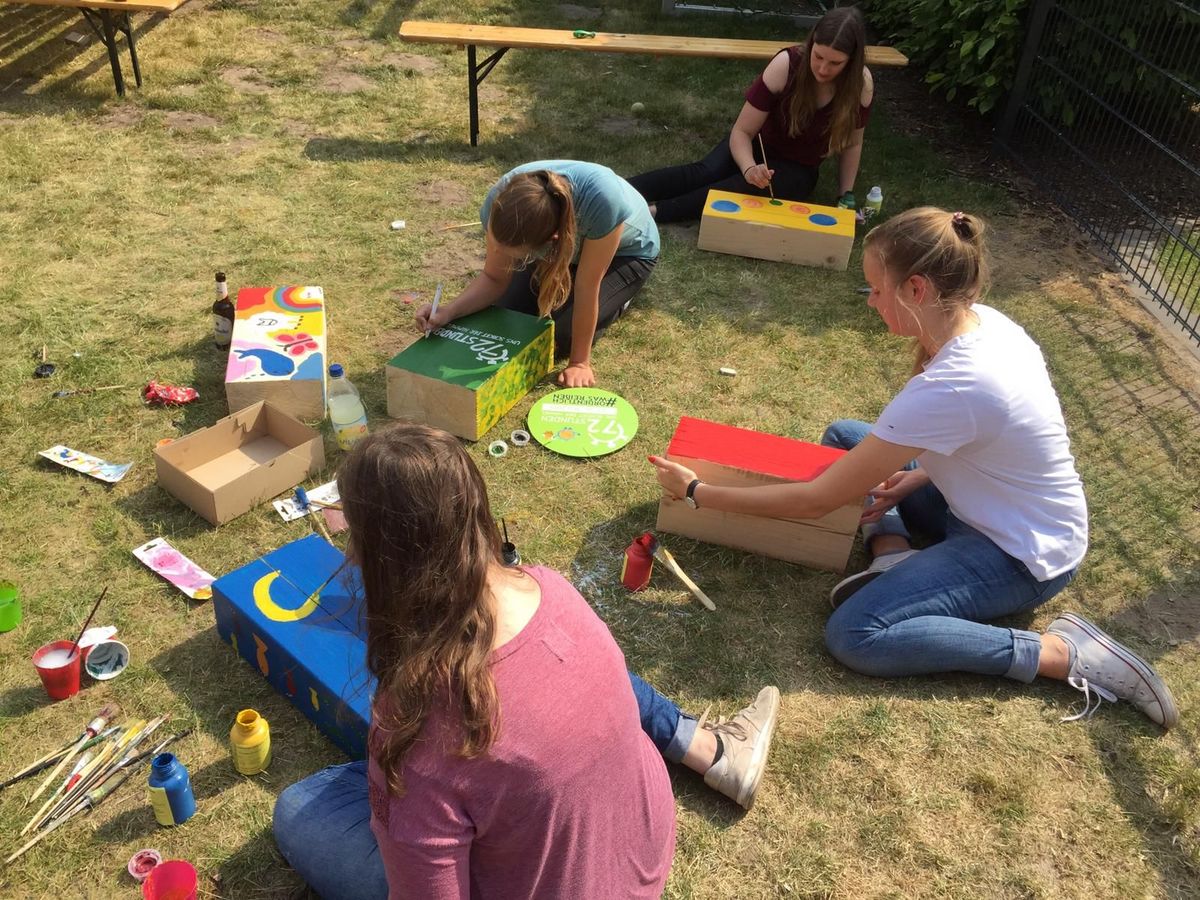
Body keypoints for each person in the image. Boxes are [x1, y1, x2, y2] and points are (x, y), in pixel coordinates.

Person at [649, 207, 1178, 730]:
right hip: (982, 504)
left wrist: (698, 492)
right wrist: (922, 474)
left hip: (1021, 554)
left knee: (857, 634)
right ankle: (892, 553)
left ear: (917, 289)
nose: (870, 301)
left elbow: (816, 500)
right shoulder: (985, 322)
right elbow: (998, 441)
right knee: (846, 436)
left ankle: (1063, 655)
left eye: (877, 290)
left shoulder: (953, 386)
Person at [273, 423, 780, 900]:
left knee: (301, 806)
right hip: (639, 857)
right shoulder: (549, 588)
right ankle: (707, 750)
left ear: (376, 555)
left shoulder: (416, 730)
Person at [415, 161, 659, 388]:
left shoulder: (603, 202)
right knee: (510, 315)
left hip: (625, 254)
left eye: (513, 254)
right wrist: (448, 311)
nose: (499, 253)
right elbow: (494, 278)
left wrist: (579, 363)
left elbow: (587, 287)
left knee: (560, 336)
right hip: (561, 245)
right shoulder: (500, 199)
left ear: (550, 242)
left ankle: (621, 298)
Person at [627, 6, 872, 223]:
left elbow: (853, 143)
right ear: (811, 45)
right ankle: (618, 191)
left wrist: (845, 195)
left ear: (852, 61)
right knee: (705, 172)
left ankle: (654, 212)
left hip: (798, 168)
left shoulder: (861, 84)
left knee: (735, 189)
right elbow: (742, 131)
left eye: (835, 63)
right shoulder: (787, 64)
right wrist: (749, 168)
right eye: (817, 56)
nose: (823, 68)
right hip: (755, 145)